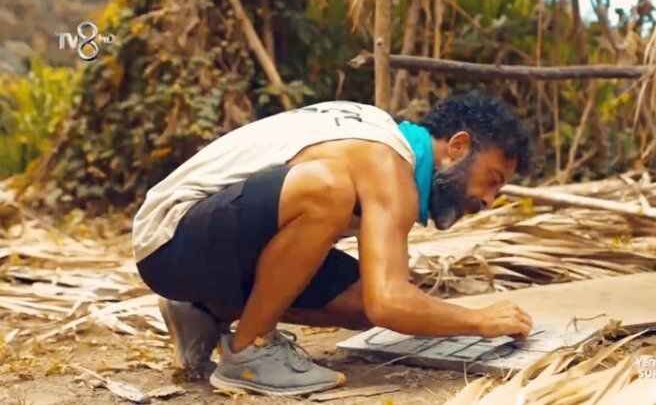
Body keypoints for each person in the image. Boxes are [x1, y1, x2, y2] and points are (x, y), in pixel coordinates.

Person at [132, 92, 534, 396]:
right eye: (492, 180)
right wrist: (480, 321)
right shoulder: (385, 158)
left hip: (201, 245)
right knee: (327, 189)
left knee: (361, 299)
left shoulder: (388, 147)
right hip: (168, 239)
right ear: (458, 147)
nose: (488, 200)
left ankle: (204, 309)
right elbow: (390, 302)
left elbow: (379, 300)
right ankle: (250, 349)